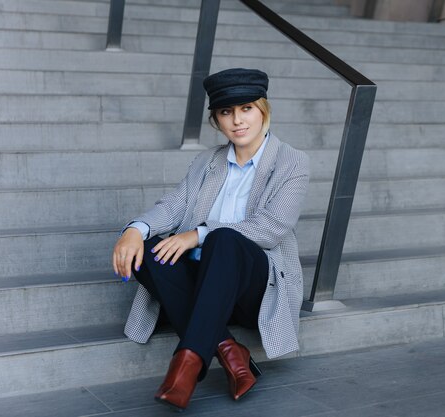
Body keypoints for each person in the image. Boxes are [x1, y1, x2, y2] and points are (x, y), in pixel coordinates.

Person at [112, 68, 310, 412]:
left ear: (263, 110)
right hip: (205, 285)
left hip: (255, 289)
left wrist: (199, 233)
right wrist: (135, 229)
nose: (237, 121)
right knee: (146, 250)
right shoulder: (207, 161)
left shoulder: (292, 162)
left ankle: (185, 370)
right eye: (226, 112)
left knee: (223, 240)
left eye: (246, 108)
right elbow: (174, 205)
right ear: (216, 120)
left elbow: (272, 227)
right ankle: (233, 354)